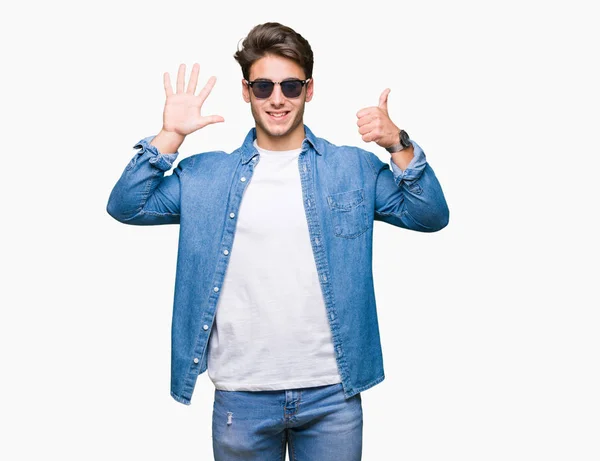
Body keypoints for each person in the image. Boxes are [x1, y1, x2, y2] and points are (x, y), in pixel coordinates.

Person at [107, 21, 449, 461]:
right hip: (242, 394)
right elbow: (127, 206)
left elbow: (431, 215)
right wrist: (171, 136)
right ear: (247, 92)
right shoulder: (205, 175)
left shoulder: (353, 168)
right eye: (264, 85)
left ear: (309, 90)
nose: (277, 98)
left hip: (332, 393)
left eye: (289, 85)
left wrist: (397, 144)